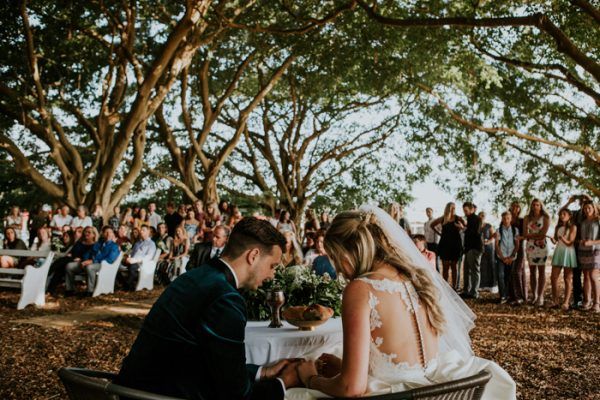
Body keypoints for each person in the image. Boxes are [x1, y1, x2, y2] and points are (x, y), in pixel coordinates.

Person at [292, 206, 515, 399]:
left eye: (336, 258)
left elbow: (352, 388)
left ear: (350, 253)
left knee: (290, 393)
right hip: (438, 390)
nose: (339, 270)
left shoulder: (361, 288)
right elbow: (407, 368)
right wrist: (342, 367)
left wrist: (311, 378)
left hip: (396, 396)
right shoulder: (418, 278)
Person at [116, 217, 300, 399]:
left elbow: (211, 363)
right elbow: (236, 394)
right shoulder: (225, 298)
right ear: (253, 256)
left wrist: (263, 372)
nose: (272, 274)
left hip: (132, 389)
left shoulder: (194, 276)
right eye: (272, 266)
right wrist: (285, 382)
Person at [65, 226, 120, 296]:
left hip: (103, 265)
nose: (108, 234)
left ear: (113, 234)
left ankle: (90, 291)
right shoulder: (99, 243)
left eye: (110, 232)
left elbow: (110, 259)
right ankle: (70, 290)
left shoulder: (114, 246)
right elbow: (89, 252)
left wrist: (93, 261)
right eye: (106, 232)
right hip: (90, 262)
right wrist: (84, 260)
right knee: (69, 266)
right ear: (103, 234)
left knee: (90, 267)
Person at [47, 226, 98, 297]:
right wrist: (72, 256)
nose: (86, 233)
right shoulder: (79, 243)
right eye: (85, 232)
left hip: (85, 263)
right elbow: (72, 252)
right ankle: (55, 290)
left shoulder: (96, 245)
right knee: (60, 269)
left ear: (94, 235)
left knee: (63, 262)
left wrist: (81, 259)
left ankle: (48, 272)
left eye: (89, 232)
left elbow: (94, 256)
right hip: (74, 261)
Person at [561, 194, 592, 308]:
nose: (583, 201)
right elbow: (562, 212)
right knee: (576, 274)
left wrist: (588, 198)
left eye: (586, 200)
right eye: (581, 200)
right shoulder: (575, 214)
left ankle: (587, 299)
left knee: (588, 275)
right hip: (576, 247)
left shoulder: (592, 214)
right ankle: (577, 300)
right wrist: (569, 202)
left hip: (589, 247)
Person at [549, 208, 578, 311]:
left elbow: (570, 242)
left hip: (568, 253)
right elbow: (557, 240)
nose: (562, 216)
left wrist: (562, 239)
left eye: (564, 214)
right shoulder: (558, 227)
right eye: (561, 214)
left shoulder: (573, 227)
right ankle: (555, 301)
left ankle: (566, 303)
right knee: (553, 277)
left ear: (569, 216)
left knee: (567, 278)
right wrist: (553, 240)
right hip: (559, 252)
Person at [523, 198, 550, 306]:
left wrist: (530, 235)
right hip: (530, 247)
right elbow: (525, 234)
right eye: (533, 205)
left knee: (542, 271)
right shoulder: (527, 218)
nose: (535, 207)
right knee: (532, 271)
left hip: (542, 246)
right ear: (531, 206)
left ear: (541, 206)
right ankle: (534, 296)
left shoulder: (545, 217)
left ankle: (540, 296)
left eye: (537, 205)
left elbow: (543, 234)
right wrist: (534, 235)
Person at [431, 202, 464, 288]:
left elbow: (466, 227)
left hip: (456, 245)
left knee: (454, 267)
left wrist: (461, 228)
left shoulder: (458, 218)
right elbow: (432, 225)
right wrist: (439, 233)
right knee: (445, 267)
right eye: (452, 208)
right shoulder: (443, 218)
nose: (453, 209)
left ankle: (454, 287)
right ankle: (445, 287)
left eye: (454, 208)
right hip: (445, 244)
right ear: (448, 208)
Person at [578, 201, 600, 312]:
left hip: (596, 250)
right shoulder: (583, 221)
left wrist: (591, 243)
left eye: (589, 208)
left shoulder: (598, 220)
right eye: (585, 208)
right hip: (583, 251)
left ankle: (597, 303)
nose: (587, 210)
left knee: (593, 276)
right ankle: (587, 301)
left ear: (594, 208)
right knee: (586, 276)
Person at [121, 225, 156, 290]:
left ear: (148, 232)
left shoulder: (151, 244)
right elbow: (132, 254)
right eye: (141, 230)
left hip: (141, 263)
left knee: (132, 266)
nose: (141, 231)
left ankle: (126, 286)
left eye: (143, 230)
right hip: (132, 261)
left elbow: (149, 257)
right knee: (118, 265)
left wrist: (135, 260)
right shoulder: (137, 243)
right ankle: (126, 284)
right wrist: (128, 258)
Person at [495, 212, 519, 304]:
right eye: (504, 218)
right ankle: (503, 296)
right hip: (501, 257)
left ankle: (510, 295)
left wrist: (511, 257)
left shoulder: (515, 230)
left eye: (508, 218)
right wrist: (503, 258)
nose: (506, 220)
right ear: (502, 219)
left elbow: (517, 245)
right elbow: (496, 246)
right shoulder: (498, 230)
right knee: (500, 275)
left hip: (511, 257)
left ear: (511, 219)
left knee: (509, 276)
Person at [509, 201, 527, 305]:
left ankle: (521, 297)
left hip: (520, 248)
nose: (515, 209)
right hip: (508, 248)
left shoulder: (522, 220)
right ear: (510, 208)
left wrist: (519, 238)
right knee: (511, 272)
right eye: (514, 207)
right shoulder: (507, 219)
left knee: (518, 271)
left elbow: (525, 235)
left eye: (517, 208)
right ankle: (513, 296)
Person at [478, 211, 496, 293]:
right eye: (480, 215)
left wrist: (488, 241)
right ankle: (482, 285)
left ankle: (492, 286)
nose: (482, 217)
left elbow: (494, 235)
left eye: (483, 215)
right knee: (481, 265)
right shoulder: (476, 226)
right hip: (479, 248)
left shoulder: (489, 225)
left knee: (490, 265)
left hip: (489, 247)